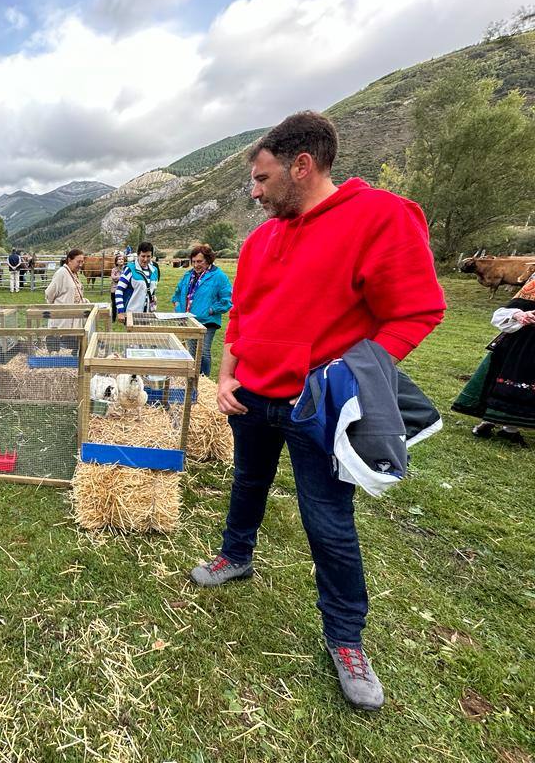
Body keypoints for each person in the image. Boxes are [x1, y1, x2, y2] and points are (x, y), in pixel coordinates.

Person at [187, 112, 446, 711]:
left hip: (317, 406)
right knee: (246, 481)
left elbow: (416, 311)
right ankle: (236, 554)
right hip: (253, 396)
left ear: (302, 165)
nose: (254, 191)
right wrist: (226, 375)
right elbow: (245, 316)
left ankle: (346, 636)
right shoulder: (259, 240)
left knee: (327, 519)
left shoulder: (379, 218)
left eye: (261, 177)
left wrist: (349, 377)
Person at [453, 269, 535, 445]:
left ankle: (510, 429)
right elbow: (501, 314)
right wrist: (518, 315)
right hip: (517, 345)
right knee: (502, 381)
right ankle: (488, 421)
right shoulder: (532, 288)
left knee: (525, 388)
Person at [170, 243, 233, 376]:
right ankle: (192, 378)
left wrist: (210, 310)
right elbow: (177, 294)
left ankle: (204, 380)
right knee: (191, 351)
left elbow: (227, 300)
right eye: (193, 262)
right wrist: (178, 309)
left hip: (207, 321)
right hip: (188, 320)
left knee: (203, 352)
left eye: (200, 261)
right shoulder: (188, 275)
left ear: (208, 260)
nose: (196, 265)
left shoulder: (219, 276)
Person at [45, 249, 89, 354]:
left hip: (74, 319)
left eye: (82, 262)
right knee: (59, 351)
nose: (81, 265)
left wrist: (84, 301)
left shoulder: (74, 274)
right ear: (69, 260)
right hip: (62, 319)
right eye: (78, 261)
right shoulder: (62, 273)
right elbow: (49, 294)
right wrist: (58, 308)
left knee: (71, 350)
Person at [114, 241, 160, 316]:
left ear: (151, 256)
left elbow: (153, 290)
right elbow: (119, 290)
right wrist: (121, 311)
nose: (145, 259)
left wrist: (153, 299)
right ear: (138, 255)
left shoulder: (154, 270)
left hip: (148, 314)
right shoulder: (130, 269)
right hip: (132, 313)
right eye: (143, 256)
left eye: (148, 256)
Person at [109, 253, 125, 323]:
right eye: (119, 259)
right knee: (114, 304)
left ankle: (123, 317)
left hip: (123, 290)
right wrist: (122, 277)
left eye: (122, 259)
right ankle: (113, 318)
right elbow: (113, 278)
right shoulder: (114, 270)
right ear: (116, 261)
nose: (121, 260)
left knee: (123, 303)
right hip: (114, 289)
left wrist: (118, 278)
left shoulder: (126, 269)